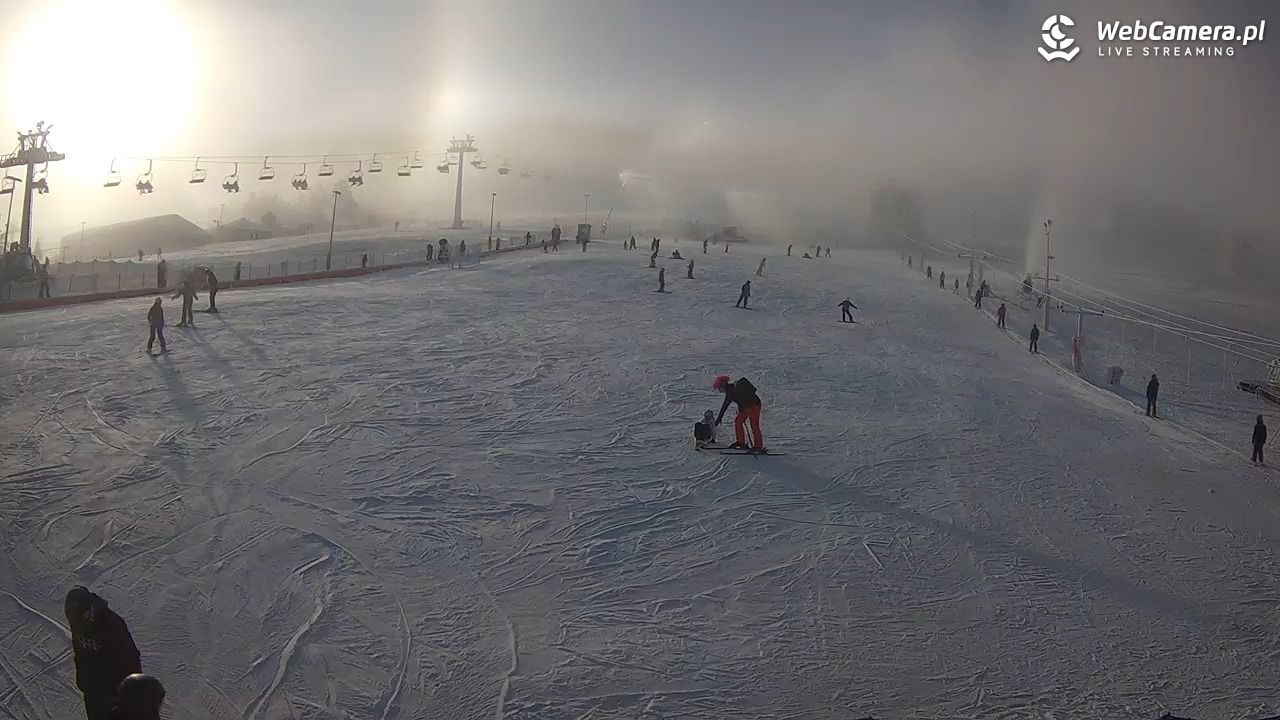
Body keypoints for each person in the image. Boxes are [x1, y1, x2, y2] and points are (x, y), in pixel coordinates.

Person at [65, 586, 141, 720]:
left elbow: (131, 658)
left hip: (115, 693)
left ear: (88, 610)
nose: (77, 623)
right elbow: (80, 653)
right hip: (93, 693)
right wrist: (82, 679)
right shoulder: (78, 622)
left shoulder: (111, 624)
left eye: (80, 617)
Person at [713, 375, 765, 452]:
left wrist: (719, 419)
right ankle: (741, 442)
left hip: (754, 406)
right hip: (748, 407)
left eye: (719, 388)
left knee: (754, 426)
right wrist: (719, 418)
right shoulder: (731, 390)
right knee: (738, 422)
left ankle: (758, 446)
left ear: (723, 386)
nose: (720, 391)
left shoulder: (732, 390)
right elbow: (725, 406)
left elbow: (728, 405)